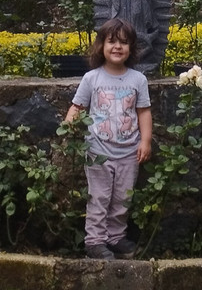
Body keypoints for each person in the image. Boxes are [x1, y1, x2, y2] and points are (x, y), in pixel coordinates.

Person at [65, 17, 152, 260]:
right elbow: (77, 107)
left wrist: (145, 141)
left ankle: (115, 237)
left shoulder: (138, 80)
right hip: (97, 152)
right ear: (101, 46)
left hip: (128, 152)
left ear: (131, 49)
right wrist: (69, 125)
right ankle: (94, 241)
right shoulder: (91, 78)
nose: (117, 47)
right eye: (112, 41)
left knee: (123, 197)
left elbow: (143, 112)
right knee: (99, 197)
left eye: (124, 43)